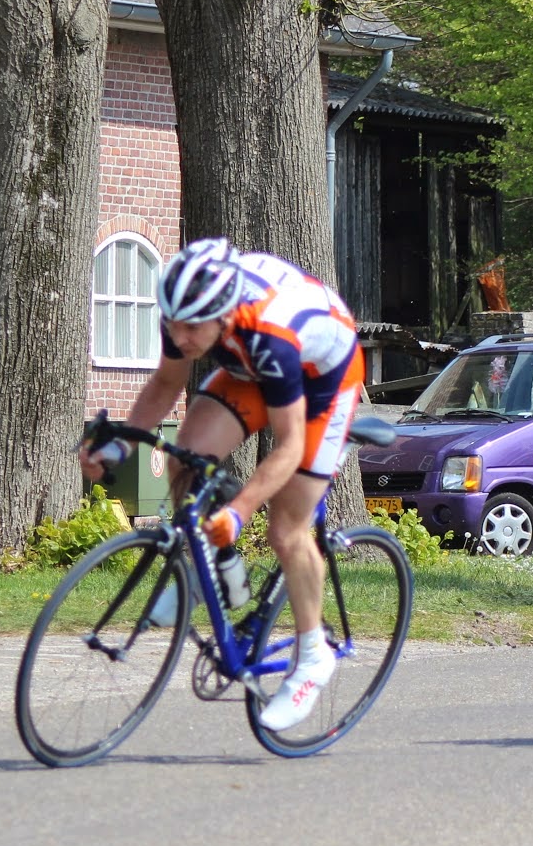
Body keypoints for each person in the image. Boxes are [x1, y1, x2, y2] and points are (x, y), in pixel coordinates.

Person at [80, 238, 364, 731]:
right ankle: (220, 576)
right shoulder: (185, 315)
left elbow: (290, 446)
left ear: (224, 315)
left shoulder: (270, 334)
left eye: (191, 327)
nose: (179, 336)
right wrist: (119, 447)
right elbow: (166, 384)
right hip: (247, 369)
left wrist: (240, 511)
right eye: (171, 323)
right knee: (186, 455)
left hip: (322, 379)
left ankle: (313, 654)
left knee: (286, 531)